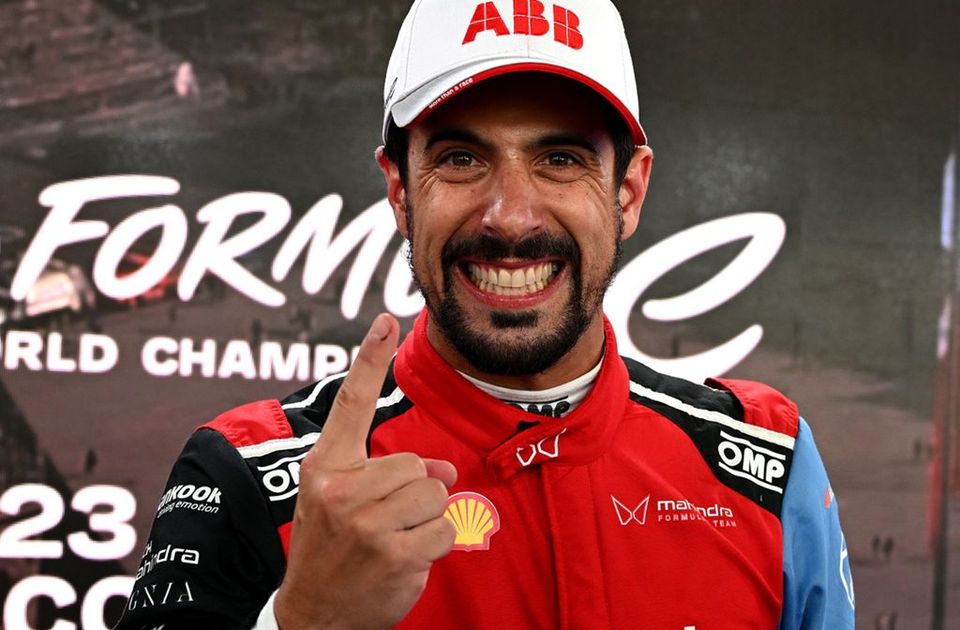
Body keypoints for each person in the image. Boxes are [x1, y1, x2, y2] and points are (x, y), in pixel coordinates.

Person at [115, 0, 855, 628]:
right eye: (462, 160)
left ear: (628, 192)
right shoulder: (244, 472)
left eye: (560, 159)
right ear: (400, 191)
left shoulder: (768, 465)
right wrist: (300, 620)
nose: (510, 216)